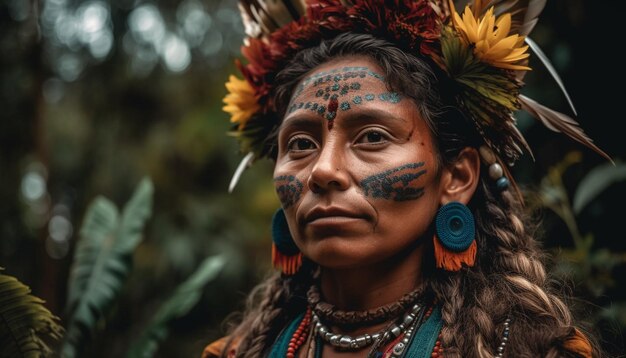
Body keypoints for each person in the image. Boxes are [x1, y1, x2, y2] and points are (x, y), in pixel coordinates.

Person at [205, 1, 609, 357]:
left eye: (372, 137)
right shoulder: (238, 352)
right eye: (300, 144)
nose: (323, 170)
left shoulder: (530, 351)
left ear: (456, 177)